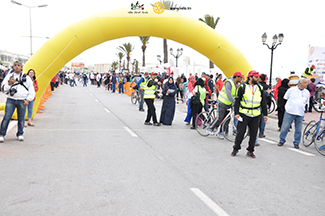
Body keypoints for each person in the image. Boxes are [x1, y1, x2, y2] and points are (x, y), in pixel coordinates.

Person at [231, 71, 268, 158]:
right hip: (244, 114)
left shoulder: (260, 87)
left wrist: (265, 114)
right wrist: (236, 113)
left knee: (254, 134)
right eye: (256, 77)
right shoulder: (243, 87)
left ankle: (250, 150)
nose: (258, 78)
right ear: (250, 77)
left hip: (256, 115)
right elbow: (237, 100)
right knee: (240, 133)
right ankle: (236, 148)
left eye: (258, 77)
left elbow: (263, 102)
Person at [0, 61, 35, 142]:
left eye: (18, 65)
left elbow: (31, 90)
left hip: (22, 100)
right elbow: (3, 89)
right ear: (13, 67)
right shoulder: (9, 76)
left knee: (21, 118)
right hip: (11, 100)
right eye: (15, 65)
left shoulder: (26, 78)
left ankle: (20, 133)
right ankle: (2, 134)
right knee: (6, 117)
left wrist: (28, 99)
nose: (17, 67)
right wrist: (9, 84)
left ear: (21, 67)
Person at [206, 72, 243, 139]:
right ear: (237, 77)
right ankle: (210, 128)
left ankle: (220, 132)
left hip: (229, 104)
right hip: (222, 102)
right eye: (241, 77)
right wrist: (234, 102)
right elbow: (229, 94)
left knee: (227, 120)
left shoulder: (237, 84)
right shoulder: (229, 82)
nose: (241, 79)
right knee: (220, 117)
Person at [278, 78, 310, 149]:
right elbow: (285, 98)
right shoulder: (291, 90)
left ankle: (296, 143)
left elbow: (306, 102)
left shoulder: (307, 92)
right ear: (300, 83)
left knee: (298, 129)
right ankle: (282, 140)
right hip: (290, 111)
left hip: (300, 113)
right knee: (285, 127)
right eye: (305, 82)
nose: (307, 84)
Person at [258, 74, 272, 138]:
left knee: (254, 119)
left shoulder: (257, 85)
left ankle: (250, 132)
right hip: (265, 104)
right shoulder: (267, 87)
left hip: (257, 104)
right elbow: (269, 97)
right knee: (263, 119)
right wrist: (269, 106)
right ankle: (261, 133)